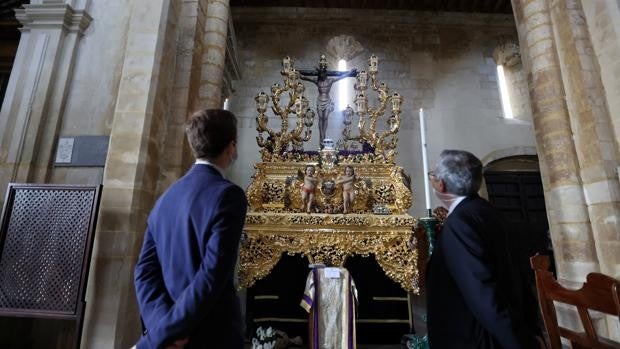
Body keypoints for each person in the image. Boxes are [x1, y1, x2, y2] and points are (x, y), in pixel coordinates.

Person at [134, 109, 247, 349]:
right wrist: (163, 334)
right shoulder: (229, 195)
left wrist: (162, 327)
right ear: (231, 147)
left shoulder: (166, 197)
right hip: (212, 335)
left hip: (173, 338)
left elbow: (144, 272)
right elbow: (211, 276)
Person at [425, 149, 538, 349]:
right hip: (501, 326)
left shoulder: (460, 222)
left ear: (440, 184)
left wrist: (520, 343)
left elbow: (481, 291)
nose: (432, 179)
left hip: (475, 337)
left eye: (433, 175)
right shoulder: (486, 210)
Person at [299, 55, 357, 147]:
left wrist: (349, 72)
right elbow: (306, 78)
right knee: (320, 118)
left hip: (327, 101)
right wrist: (299, 76)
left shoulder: (330, 81)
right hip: (319, 101)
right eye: (320, 75)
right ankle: (321, 136)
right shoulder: (317, 81)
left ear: (325, 74)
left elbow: (341, 77)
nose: (321, 76)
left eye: (323, 74)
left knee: (325, 117)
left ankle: (323, 135)